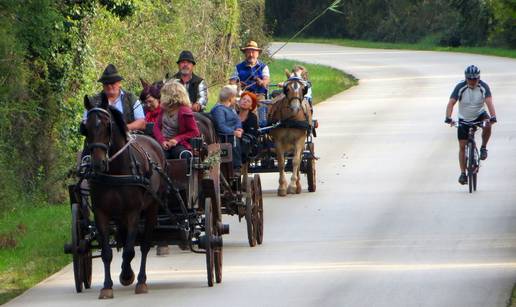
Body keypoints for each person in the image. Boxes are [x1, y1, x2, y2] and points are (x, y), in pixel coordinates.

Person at [444, 65, 497, 185]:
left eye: (475, 79)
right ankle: (463, 173)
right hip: (464, 118)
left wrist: (493, 116)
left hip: (479, 114)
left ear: (479, 78)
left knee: (488, 124)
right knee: (462, 146)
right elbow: (451, 103)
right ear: (466, 78)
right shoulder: (460, 87)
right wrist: (448, 117)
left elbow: (489, 102)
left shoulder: (483, 86)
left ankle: (483, 147)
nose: (472, 81)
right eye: (470, 79)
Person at [84, 64, 146, 131]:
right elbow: (85, 122)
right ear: (103, 85)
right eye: (106, 83)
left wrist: (124, 128)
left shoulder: (131, 98)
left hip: (128, 137)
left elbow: (142, 123)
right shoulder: (93, 101)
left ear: (119, 83)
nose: (109, 86)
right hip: (100, 139)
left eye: (112, 83)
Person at [153, 81, 200, 159]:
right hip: (163, 143)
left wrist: (176, 139)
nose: (160, 97)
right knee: (155, 157)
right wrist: (162, 141)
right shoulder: (163, 109)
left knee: (184, 154)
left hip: (179, 144)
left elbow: (195, 132)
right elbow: (156, 127)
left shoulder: (184, 111)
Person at [211, 85, 243, 171]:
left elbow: (237, 120)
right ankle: (236, 166)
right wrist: (233, 132)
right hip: (225, 137)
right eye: (234, 98)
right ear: (230, 99)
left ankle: (242, 161)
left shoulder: (231, 109)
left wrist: (238, 128)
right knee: (234, 139)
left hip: (235, 133)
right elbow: (221, 126)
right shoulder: (219, 110)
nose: (236, 100)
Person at [238, 91, 259, 163]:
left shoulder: (252, 117)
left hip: (247, 141)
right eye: (243, 99)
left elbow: (252, 133)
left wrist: (242, 133)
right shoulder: (233, 114)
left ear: (251, 106)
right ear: (239, 101)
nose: (245, 102)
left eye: (248, 101)